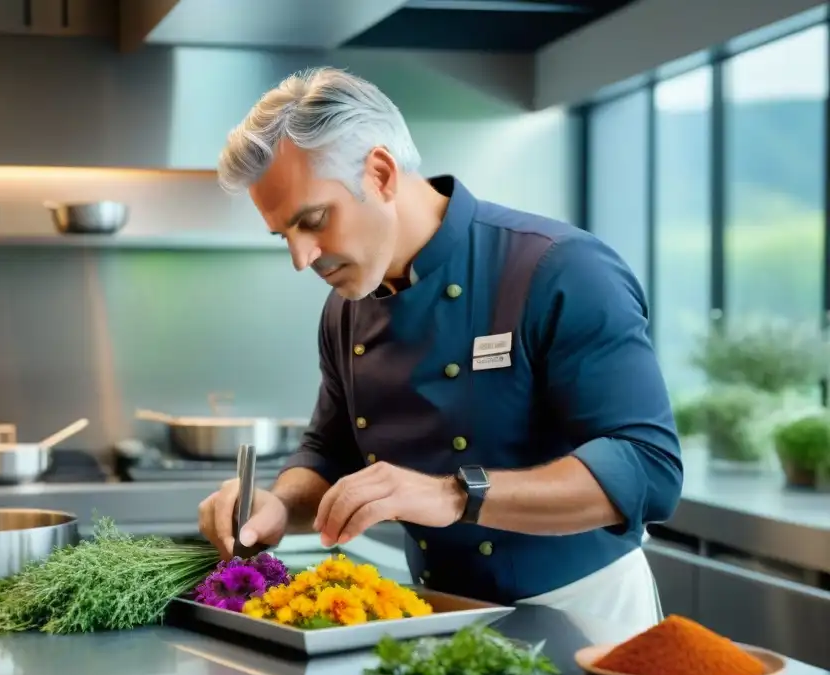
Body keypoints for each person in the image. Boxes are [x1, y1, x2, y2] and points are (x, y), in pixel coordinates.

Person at [197, 66, 683, 632]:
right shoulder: (346, 308)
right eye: (286, 235)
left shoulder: (559, 269)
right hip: (437, 616)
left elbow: (649, 469)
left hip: (584, 616)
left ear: (379, 174)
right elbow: (329, 454)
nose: (302, 258)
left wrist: (455, 495)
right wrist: (277, 506)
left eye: (313, 221)